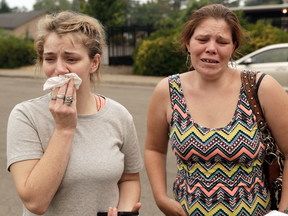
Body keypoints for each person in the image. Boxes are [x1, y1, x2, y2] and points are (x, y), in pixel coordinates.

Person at [144, 4, 288, 216]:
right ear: (188, 43)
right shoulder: (167, 90)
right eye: (202, 39)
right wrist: (160, 198)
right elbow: (154, 149)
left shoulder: (261, 87)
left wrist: (283, 212)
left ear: (233, 47)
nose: (211, 48)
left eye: (222, 42)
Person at [6, 11, 143, 216]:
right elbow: (35, 203)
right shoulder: (26, 116)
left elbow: (129, 179)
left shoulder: (119, 115)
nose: (59, 69)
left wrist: (123, 211)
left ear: (94, 63)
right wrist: (64, 129)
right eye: (50, 58)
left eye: (71, 58)